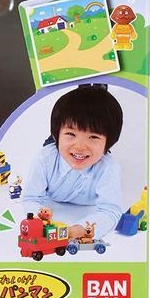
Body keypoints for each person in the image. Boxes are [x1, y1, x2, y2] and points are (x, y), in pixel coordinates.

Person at [22, 84, 123, 240]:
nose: (80, 146)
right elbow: (31, 198)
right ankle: (85, 88)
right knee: (56, 146)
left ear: (108, 143)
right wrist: (41, 218)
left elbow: (110, 211)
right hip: (56, 147)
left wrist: (80, 230)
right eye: (71, 134)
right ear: (57, 135)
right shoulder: (44, 158)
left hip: (89, 154)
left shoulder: (108, 168)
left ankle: (98, 88)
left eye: (93, 136)